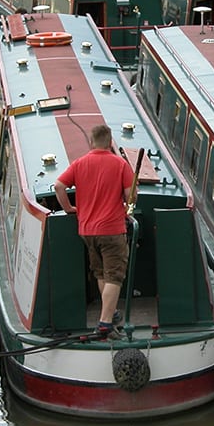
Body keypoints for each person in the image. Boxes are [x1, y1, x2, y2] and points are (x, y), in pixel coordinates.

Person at [53, 125, 135, 339]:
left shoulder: (79, 164)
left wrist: (69, 209)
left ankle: (111, 312)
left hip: (87, 230)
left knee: (100, 273)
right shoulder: (120, 164)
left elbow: (59, 186)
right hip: (112, 229)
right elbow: (131, 198)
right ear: (110, 142)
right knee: (115, 276)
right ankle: (105, 323)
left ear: (91, 142)